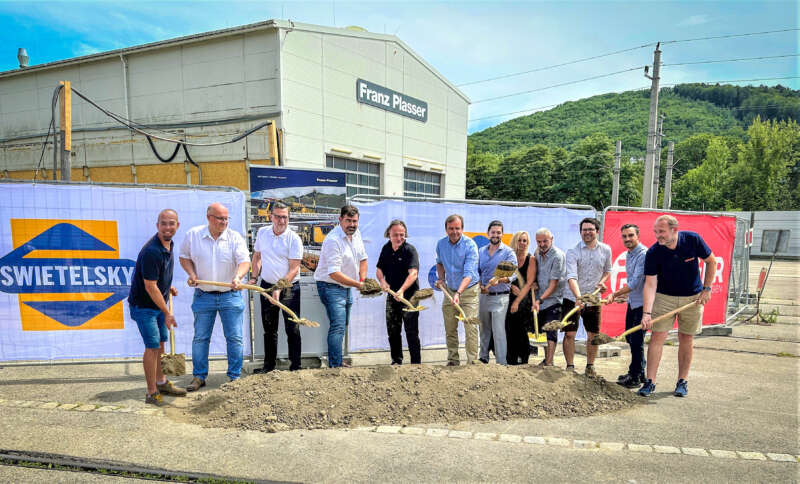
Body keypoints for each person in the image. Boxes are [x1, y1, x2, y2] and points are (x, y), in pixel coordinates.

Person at [638, 215, 716, 397]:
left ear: (674, 229)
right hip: (664, 298)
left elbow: (711, 261)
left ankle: (682, 381)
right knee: (657, 337)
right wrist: (646, 313)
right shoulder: (654, 252)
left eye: (662, 232)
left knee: (686, 338)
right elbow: (650, 284)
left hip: (692, 298)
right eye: (656, 232)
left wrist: (707, 289)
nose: (658, 236)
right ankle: (650, 382)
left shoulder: (692, 239)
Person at [179, 203, 250, 390]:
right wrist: (192, 274)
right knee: (201, 338)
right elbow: (184, 257)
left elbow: (244, 261)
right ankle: (199, 376)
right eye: (220, 218)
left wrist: (238, 276)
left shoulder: (234, 238)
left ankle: (234, 377)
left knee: (234, 338)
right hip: (203, 296)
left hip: (230, 296)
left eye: (227, 218)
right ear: (209, 217)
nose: (225, 222)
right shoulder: (193, 235)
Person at [127, 209, 186, 405]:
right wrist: (167, 312)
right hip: (144, 306)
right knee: (152, 347)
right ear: (157, 226)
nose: (168, 227)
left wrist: (169, 287)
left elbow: (158, 277)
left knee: (161, 343)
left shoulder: (168, 244)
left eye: (171, 223)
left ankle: (161, 382)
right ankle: (151, 393)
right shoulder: (152, 251)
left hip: (158, 303)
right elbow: (150, 286)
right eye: (164, 223)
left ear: (177, 225)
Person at [249, 201, 303, 373]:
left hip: (289, 288)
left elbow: (294, 269)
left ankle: (295, 367)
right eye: (278, 217)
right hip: (266, 286)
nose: (281, 221)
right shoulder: (263, 233)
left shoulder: (294, 238)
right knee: (269, 329)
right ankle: (269, 367)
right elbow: (257, 257)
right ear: (271, 217)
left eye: (285, 217)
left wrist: (279, 288)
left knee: (292, 328)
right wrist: (253, 277)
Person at [314, 205, 367, 368]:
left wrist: (363, 280)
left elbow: (363, 259)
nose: (352, 224)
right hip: (330, 286)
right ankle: (335, 365)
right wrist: (358, 284)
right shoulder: (333, 240)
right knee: (337, 326)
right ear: (340, 220)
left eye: (355, 221)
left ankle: (337, 359)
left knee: (342, 324)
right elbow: (334, 273)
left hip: (346, 286)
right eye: (348, 221)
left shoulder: (356, 234)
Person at [563, 217, 612, 377]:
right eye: (584, 230)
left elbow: (608, 270)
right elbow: (571, 277)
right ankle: (570, 367)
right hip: (572, 297)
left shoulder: (606, 250)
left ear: (597, 231)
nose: (587, 233)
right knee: (570, 333)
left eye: (590, 229)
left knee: (593, 334)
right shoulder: (572, 251)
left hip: (593, 299)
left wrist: (602, 282)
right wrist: (578, 297)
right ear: (580, 232)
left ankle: (590, 367)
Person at [604, 224, 648, 388]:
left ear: (638, 236)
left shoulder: (643, 255)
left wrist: (614, 294)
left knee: (636, 340)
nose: (627, 239)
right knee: (631, 338)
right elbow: (635, 284)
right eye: (624, 236)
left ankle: (635, 376)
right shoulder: (629, 254)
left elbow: (636, 282)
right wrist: (625, 296)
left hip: (644, 305)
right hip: (633, 302)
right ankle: (639, 372)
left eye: (631, 235)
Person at [435, 214, 480, 366]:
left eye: (457, 228)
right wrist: (441, 278)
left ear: (462, 228)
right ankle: (453, 359)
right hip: (449, 290)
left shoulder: (470, 245)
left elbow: (469, 274)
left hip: (468, 292)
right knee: (450, 327)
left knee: (470, 327)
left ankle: (472, 362)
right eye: (451, 228)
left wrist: (459, 293)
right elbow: (440, 263)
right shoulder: (441, 244)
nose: (454, 232)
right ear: (446, 229)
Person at [376, 220, 421, 365]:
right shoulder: (386, 248)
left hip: (409, 297)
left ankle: (416, 364)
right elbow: (379, 269)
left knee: (411, 331)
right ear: (389, 234)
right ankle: (396, 360)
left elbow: (413, 274)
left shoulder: (410, 250)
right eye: (396, 235)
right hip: (392, 295)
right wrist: (382, 281)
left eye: (402, 235)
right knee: (393, 330)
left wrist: (401, 291)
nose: (399, 238)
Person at [477, 221, 517, 365]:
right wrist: (481, 285)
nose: (495, 235)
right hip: (483, 296)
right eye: (493, 232)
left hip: (500, 298)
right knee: (484, 329)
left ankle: (501, 362)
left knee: (498, 330)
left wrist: (500, 280)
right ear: (488, 233)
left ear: (502, 234)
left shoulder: (508, 252)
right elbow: (477, 272)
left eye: (498, 232)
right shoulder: (481, 251)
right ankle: (483, 358)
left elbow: (513, 275)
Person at [532, 228, 566, 367]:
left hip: (553, 300)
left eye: (545, 241)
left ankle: (550, 362)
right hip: (540, 299)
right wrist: (534, 282)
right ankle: (547, 360)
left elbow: (553, 284)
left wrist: (540, 300)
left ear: (551, 239)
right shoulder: (537, 253)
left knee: (551, 330)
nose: (542, 244)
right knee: (543, 331)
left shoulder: (558, 256)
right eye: (539, 241)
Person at [506, 230, 537, 365]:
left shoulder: (531, 259)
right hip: (508, 298)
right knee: (509, 329)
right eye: (520, 240)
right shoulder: (508, 257)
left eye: (525, 241)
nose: (522, 243)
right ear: (515, 241)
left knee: (522, 330)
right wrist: (509, 287)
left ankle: (524, 359)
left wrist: (518, 300)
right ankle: (511, 359)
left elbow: (530, 282)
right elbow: (503, 277)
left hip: (524, 300)